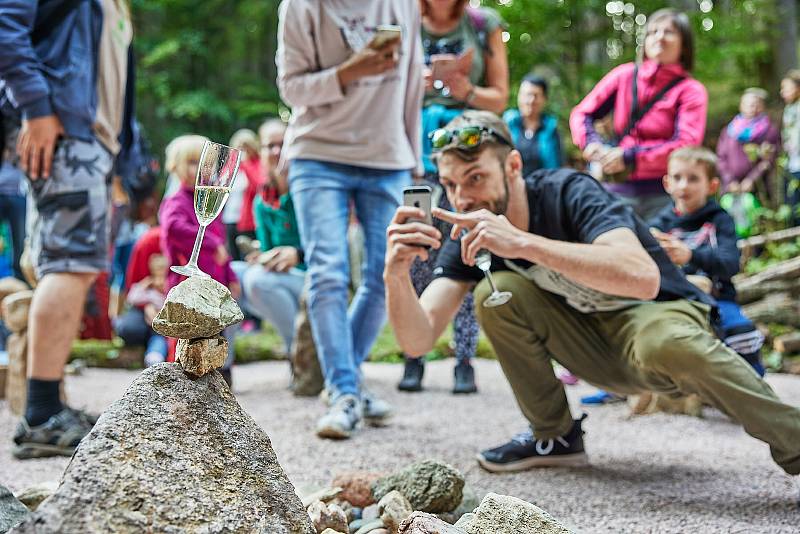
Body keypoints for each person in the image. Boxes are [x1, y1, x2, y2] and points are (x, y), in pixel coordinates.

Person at [383, 110, 800, 483]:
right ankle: (555, 437)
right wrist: (395, 274)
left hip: (656, 319)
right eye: (450, 184)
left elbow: (642, 278)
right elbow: (418, 340)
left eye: (475, 178)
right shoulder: (471, 235)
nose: (463, 198)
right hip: (590, 349)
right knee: (501, 293)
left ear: (513, 166)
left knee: (664, 342)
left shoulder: (569, 191)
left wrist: (523, 243)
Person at [277, 0, 423, 438]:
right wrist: (349, 72)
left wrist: (413, 157)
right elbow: (291, 88)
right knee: (327, 272)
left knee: (390, 273)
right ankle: (343, 391)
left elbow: (412, 79)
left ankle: (347, 381)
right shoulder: (300, 7)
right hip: (318, 153)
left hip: (388, 156)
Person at [1, 0, 135, 459]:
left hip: (91, 139)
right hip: (63, 131)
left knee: (73, 264)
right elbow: (4, 24)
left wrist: (123, 157)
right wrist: (35, 105)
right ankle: (40, 416)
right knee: (69, 264)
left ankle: (50, 403)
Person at [398, 0, 509, 394]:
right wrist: (415, 85)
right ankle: (413, 357)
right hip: (413, 158)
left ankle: (464, 359)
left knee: (463, 251)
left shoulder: (481, 23)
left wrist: (466, 90)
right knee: (414, 252)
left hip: (463, 154)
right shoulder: (402, 18)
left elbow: (499, 97)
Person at [570, 8, 707, 220]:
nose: (659, 37)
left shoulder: (690, 90)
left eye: (669, 32)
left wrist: (630, 158)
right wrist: (591, 142)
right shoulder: (624, 76)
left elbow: (686, 144)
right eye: (653, 32)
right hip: (614, 189)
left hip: (664, 196)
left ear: (684, 44)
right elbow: (582, 113)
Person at [650, 147, 765, 376]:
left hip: (718, 298)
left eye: (693, 179)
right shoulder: (658, 224)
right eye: (677, 178)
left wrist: (690, 255)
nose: (683, 185)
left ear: (711, 186)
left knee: (742, 331)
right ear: (667, 183)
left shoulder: (721, 220)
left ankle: (755, 388)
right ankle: (619, 386)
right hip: (672, 299)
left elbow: (730, 264)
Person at [158, 134, 240, 385]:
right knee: (185, 331)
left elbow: (222, 248)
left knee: (217, 333)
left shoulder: (212, 203)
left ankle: (219, 378)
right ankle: (179, 376)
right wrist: (213, 244)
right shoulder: (177, 202)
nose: (200, 170)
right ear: (175, 168)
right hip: (186, 283)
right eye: (193, 163)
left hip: (214, 284)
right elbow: (174, 229)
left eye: (207, 164)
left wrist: (231, 276)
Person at [231, 121, 305, 356]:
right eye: (269, 146)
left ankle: (301, 351)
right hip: (280, 277)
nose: (276, 151)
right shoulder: (261, 202)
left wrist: (298, 253)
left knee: (258, 281)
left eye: (282, 144)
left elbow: (331, 248)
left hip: (312, 276)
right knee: (228, 273)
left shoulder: (309, 190)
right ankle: (223, 367)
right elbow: (267, 248)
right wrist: (262, 256)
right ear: (260, 152)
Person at [716, 88, 780, 200]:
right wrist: (730, 180)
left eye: (755, 104)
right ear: (741, 105)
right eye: (747, 104)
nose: (752, 107)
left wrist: (752, 180)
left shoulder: (769, 130)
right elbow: (721, 158)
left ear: (762, 106)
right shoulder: (728, 131)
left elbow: (769, 159)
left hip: (759, 189)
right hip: (730, 189)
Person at [503, 75, 562, 177]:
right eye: (526, 95)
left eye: (535, 95)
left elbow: (555, 166)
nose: (530, 101)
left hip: (541, 187)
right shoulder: (508, 122)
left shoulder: (550, 128)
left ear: (544, 99)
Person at [780, 70, 800, 225]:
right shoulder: (789, 110)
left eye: (786, 88)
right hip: (791, 164)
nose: (782, 93)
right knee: (792, 209)